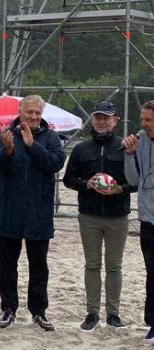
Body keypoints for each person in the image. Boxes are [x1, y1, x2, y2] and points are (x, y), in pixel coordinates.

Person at [0, 95, 65, 332]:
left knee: (39, 265)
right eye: (29, 112)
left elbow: (55, 163)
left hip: (39, 213)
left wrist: (33, 146)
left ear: (41, 115)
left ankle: (39, 311)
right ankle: (8, 308)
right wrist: (8, 150)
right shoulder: (5, 135)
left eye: (37, 113)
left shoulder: (51, 137)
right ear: (20, 111)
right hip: (10, 211)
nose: (33, 117)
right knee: (7, 265)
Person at [63, 101, 132, 331]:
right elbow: (68, 179)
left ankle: (113, 313)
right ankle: (92, 313)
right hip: (89, 216)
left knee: (114, 266)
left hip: (118, 215)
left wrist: (119, 188)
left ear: (116, 120)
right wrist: (87, 184)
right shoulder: (82, 148)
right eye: (98, 117)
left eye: (107, 117)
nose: (102, 121)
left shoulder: (125, 147)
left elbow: (135, 180)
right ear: (92, 120)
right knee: (92, 265)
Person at [121, 100, 154, 343]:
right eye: (142, 119)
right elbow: (133, 180)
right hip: (147, 219)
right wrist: (130, 155)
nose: (144, 124)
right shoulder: (140, 141)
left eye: (149, 120)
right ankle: (153, 323)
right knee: (152, 273)